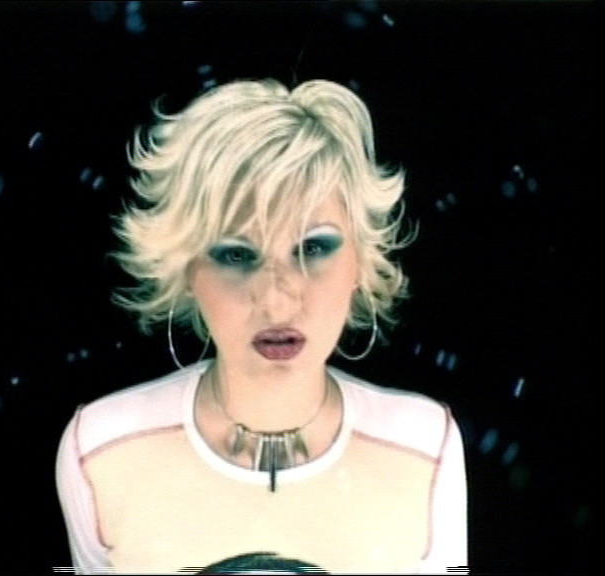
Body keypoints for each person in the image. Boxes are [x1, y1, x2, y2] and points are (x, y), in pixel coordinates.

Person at [56, 78, 468, 574]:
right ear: (186, 269)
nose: (277, 300)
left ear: (361, 259)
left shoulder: (425, 448)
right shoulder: (101, 450)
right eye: (236, 255)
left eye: (313, 248)